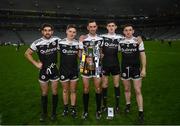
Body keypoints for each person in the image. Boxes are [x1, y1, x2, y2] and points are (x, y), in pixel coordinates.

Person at [24, 23, 60, 122]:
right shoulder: (37, 43)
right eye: (45, 30)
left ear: (52, 31)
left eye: (49, 30)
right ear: (42, 31)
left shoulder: (57, 40)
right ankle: (44, 113)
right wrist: (36, 64)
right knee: (44, 93)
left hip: (54, 70)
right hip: (43, 71)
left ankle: (53, 113)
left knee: (55, 92)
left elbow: (67, 45)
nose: (47, 32)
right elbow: (27, 53)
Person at [120, 24, 146, 123]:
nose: (128, 32)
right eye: (126, 30)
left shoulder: (138, 41)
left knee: (138, 90)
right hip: (124, 69)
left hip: (135, 69)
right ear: (123, 32)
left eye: (130, 30)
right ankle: (128, 105)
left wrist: (143, 69)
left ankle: (140, 112)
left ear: (133, 31)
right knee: (126, 89)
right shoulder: (120, 42)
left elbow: (143, 55)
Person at [79, 19, 103, 120]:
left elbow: (102, 53)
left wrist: (100, 55)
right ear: (88, 28)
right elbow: (79, 55)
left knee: (98, 88)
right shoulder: (83, 38)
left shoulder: (101, 39)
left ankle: (98, 110)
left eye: (94, 26)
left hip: (97, 66)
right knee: (86, 89)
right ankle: (85, 111)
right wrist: (84, 58)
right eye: (90, 27)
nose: (92, 28)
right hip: (85, 66)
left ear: (96, 27)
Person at [101, 20, 124, 114]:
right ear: (107, 27)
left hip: (115, 64)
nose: (111, 27)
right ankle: (104, 106)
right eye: (109, 26)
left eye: (113, 26)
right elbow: (91, 39)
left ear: (115, 27)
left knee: (116, 85)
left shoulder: (120, 37)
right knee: (104, 85)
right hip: (105, 64)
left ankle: (117, 106)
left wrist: (138, 38)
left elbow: (130, 39)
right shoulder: (102, 37)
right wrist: (83, 37)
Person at [58, 24, 80, 118]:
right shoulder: (60, 42)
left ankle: (73, 109)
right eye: (70, 31)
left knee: (73, 90)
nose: (72, 33)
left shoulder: (78, 43)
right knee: (65, 90)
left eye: (74, 32)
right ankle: (66, 108)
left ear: (76, 33)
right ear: (66, 31)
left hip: (74, 70)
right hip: (63, 70)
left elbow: (80, 56)